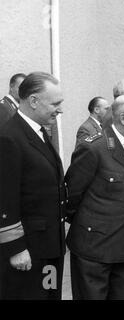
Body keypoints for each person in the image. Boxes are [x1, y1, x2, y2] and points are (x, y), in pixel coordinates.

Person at [65, 93, 124, 300]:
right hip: (94, 247)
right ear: (123, 118)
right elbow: (71, 195)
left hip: (123, 245)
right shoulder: (94, 147)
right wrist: (91, 225)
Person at [0, 72, 66, 299]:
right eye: (55, 104)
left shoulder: (38, 132)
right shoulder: (9, 137)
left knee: (50, 294)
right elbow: (5, 198)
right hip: (28, 251)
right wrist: (16, 248)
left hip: (49, 246)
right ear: (34, 101)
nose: (60, 110)